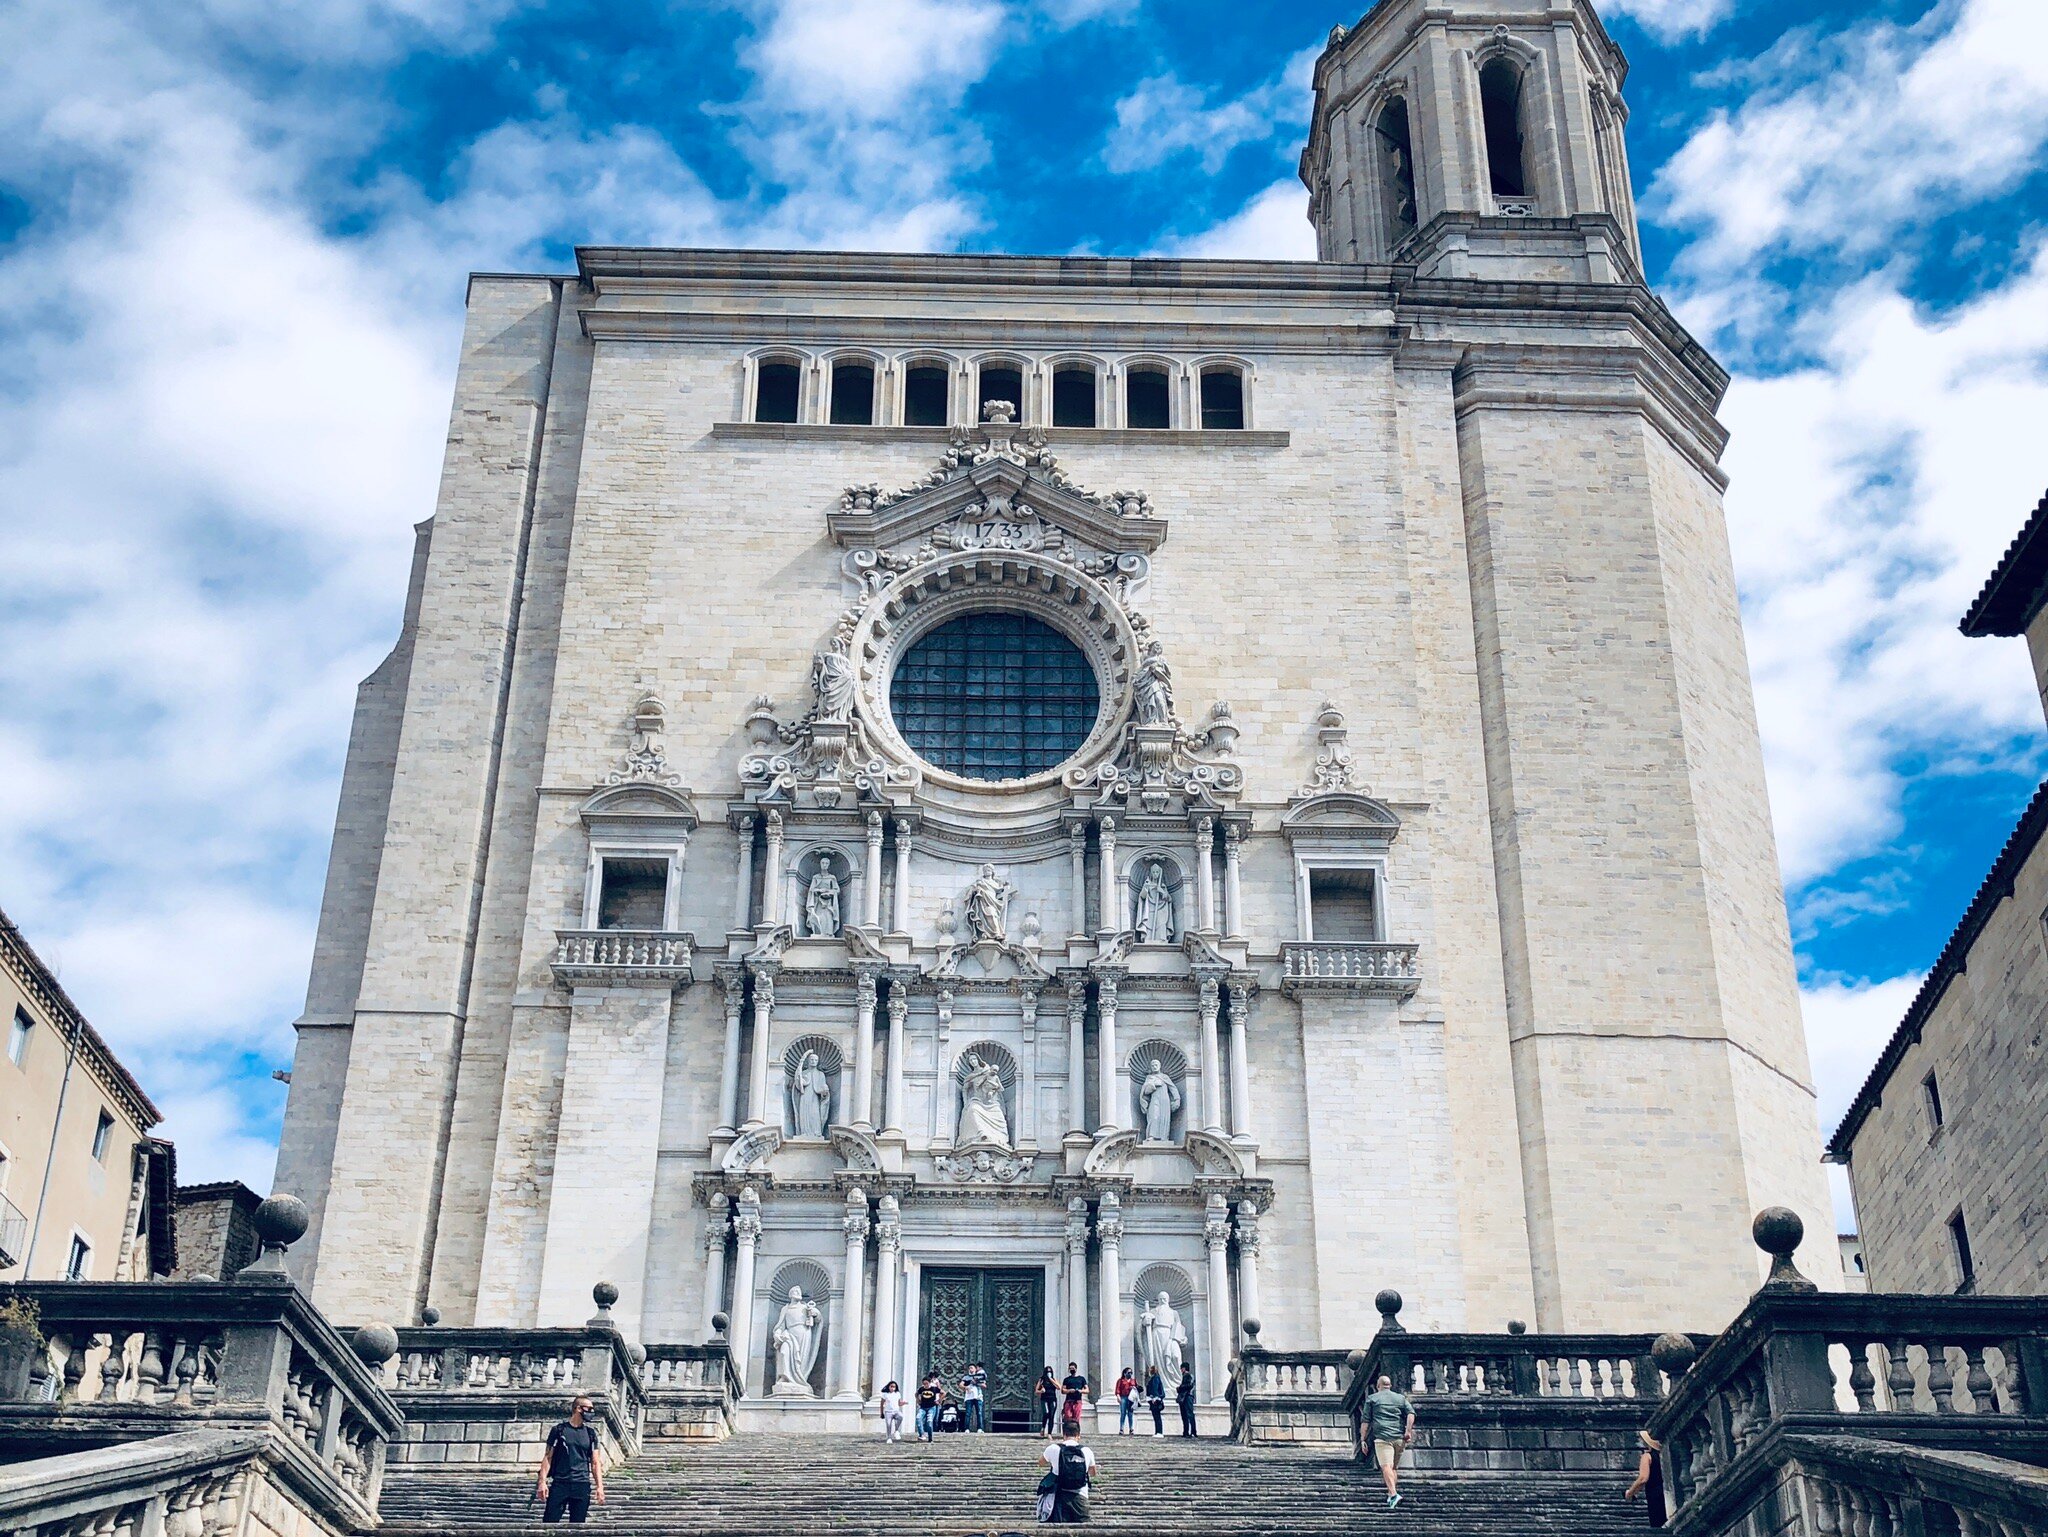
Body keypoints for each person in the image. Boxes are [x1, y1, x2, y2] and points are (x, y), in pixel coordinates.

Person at [534, 1395, 605, 1524]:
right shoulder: (559, 1430)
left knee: (577, 1526)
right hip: (560, 1483)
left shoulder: (590, 1433)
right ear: (578, 1408)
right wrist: (542, 1482)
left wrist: (599, 1487)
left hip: (581, 1484)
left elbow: (595, 1462)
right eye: (589, 1409)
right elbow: (548, 1457)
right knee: (549, 1522)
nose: (591, 1412)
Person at [1361, 1373, 1416, 1509]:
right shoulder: (1400, 1398)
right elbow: (1411, 1413)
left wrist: (1363, 1439)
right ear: (1390, 1385)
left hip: (1383, 1438)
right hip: (1399, 1438)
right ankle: (1391, 1493)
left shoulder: (1372, 1399)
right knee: (1393, 1468)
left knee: (1386, 1467)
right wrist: (1408, 1431)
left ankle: (1393, 1494)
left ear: (1378, 1386)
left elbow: (1365, 1421)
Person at [1037, 1420, 1099, 1525]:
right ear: (1078, 1435)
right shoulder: (1086, 1451)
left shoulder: (1054, 1448)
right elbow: (1093, 1473)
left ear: (1063, 1434)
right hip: (1080, 1495)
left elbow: (1041, 1462)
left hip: (1059, 1495)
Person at [1624, 1429, 1668, 1527]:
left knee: (1658, 1525)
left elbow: (1643, 1478)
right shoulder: (1664, 1456)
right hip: (1667, 1492)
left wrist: (1630, 1493)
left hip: (1655, 1495)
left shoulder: (1647, 1456)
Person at [915, 1371, 946, 1442]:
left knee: (929, 1422)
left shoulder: (934, 1388)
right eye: (924, 1384)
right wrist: (918, 1400)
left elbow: (943, 1393)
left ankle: (930, 1437)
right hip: (923, 1407)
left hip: (931, 1407)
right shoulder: (921, 1389)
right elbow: (916, 1394)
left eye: (926, 1383)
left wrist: (939, 1400)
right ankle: (922, 1434)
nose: (925, 1385)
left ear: (930, 1382)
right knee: (918, 1418)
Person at [1060, 1362, 1089, 1434]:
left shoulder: (1081, 1379)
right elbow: (1063, 1390)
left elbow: (1087, 1390)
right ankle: (1067, 1432)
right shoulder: (1066, 1379)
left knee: (1077, 1418)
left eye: (1072, 1368)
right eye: (1070, 1369)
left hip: (1077, 1401)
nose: (1071, 1370)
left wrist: (1079, 1391)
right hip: (1069, 1400)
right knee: (1068, 1417)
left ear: (1076, 1369)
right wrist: (1070, 1391)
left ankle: (1076, 1433)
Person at [961, 1362, 989, 1434]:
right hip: (969, 1397)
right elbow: (961, 1385)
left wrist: (976, 1383)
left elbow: (984, 1386)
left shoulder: (979, 1376)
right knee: (968, 1413)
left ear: (975, 1369)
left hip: (978, 1397)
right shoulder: (966, 1377)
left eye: (972, 1368)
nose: (971, 1369)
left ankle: (980, 1428)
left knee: (979, 1413)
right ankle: (966, 1428)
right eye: (969, 1368)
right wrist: (966, 1387)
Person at [1036, 1366, 1060, 1437]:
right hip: (1044, 1399)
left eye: (1050, 1371)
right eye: (1047, 1372)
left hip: (1052, 1399)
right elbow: (1036, 1391)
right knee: (1046, 1413)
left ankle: (1049, 1433)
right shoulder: (1041, 1380)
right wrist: (1041, 1391)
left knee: (1051, 1415)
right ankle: (1043, 1428)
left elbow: (1059, 1387)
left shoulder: (1054, 1380)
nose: (1049, 1373)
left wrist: (1051, 1379)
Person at [1114, 1366, 1137, 1436]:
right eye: (1129, 1373)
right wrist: (1118, 1396)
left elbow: (1137, 1389)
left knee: (1130, 1414)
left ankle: (1131, 1428)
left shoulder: (1133, 1381)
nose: (1130, 1374)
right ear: (1125, 1373)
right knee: (1123, 1413)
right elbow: (1117, 1389)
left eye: (1131, 1373)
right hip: (1123, 1397)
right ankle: (1121, 1428)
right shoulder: (1120, 1381)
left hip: (1131, 1398)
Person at [1176, 1364, 1197, 1438]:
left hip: (1187, 1397)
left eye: (1181, 1368)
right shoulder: (1186, 1376)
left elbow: (1190, 1385)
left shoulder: (1188, 1376)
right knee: (1185, 1415)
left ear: (1184, 1368)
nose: (1181, 1370)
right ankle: (1186, 1431)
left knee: (1189, 1414)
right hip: (1185, 1397)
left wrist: (1180, 1388)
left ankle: (1192, 1431)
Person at [1144, 1366, 1166, 1437]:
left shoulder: (1155, 1378)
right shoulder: (1155, 1378)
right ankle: (1158, 1432)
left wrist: (1154, 1397)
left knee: (1157, 1416)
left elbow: (1155, 1388)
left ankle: (1159, 1432)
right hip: (1155, 1399)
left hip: (1155, 1400)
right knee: (1156, 1416)